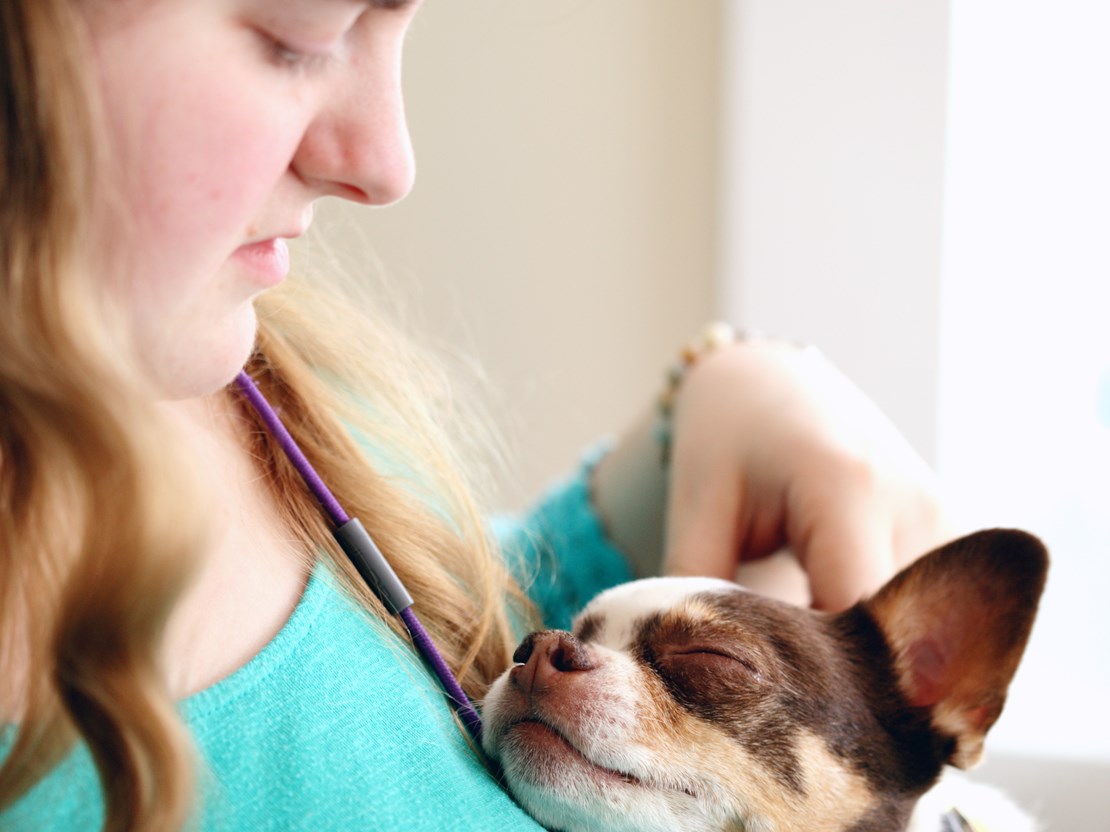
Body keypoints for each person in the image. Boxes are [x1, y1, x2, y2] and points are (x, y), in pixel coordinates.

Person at [0, 1, 948, 829]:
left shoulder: (288, 401)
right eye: (298, 36)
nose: (387, 160)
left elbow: (470, 622)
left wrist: (710, 408)